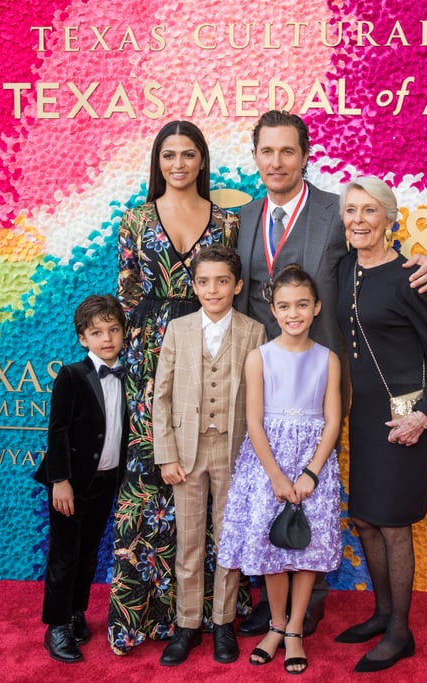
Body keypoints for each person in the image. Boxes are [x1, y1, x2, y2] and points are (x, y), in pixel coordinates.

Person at [234, 109, 427, 637]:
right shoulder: (241, 219)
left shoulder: (336, 212)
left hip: (327, 386)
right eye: (267, 151)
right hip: (265, 379)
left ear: (306, 156)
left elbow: (385, 261)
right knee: (269, 487)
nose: (277, 161)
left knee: (324, 488)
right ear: (256, 156)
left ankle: (315, 605)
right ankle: (274, 599)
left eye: (288, 151)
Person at [108, 120, 248, 654]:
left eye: (189, 154)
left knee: (217, 489)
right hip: (149, 365)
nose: (179, 164)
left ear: (202, 160)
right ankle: (151, 615)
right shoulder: (135, 219)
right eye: (169, 155)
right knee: (154, 481)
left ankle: (219, 618)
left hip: (212, 353)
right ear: (157, 161)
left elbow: (238, 291)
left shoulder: (228, 222)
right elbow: (125, 294)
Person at [334, 177, 427, 673]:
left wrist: (424, 415)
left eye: (369, 211)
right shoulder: (343, 269)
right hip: (360, 414)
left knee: (393, 523)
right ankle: (381, 613)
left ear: (389, 217)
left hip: (406, 414)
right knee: (364, 517)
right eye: (351, 211)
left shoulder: (412, 276)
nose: (358, 220)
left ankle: (401, 630)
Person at [218, 265, 343, 675]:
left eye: (303, 305)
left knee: (305, 550)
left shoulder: (329, 360)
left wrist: (310, 473)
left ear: (316, 307)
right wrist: (275, 475)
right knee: (273, 548)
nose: (294, 314)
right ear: (273, 310)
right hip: (267, 464)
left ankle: (294, 631)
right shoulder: (260, 358)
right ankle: (273, 625)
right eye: (285, 306)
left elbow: (332, 422)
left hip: (312, 465)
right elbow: (254, 422)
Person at [152, 245, 267, 666]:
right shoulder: (178, 330)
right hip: (186, 453)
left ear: (237, 286)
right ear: (194, 285)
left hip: (233, 452)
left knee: (228, 541)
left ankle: (222, 623)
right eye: (204, 282)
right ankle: (186, 625)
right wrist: (166, 455)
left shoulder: (254, 332)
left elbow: (262, 400)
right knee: (188, 543)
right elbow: (160, 397)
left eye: (222, 281)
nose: (212, 289)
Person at [34, 294, 129, 663]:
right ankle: (55, 626)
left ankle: (76, 613)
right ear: (82, 339)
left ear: (123, 333)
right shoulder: (72, 376)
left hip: (105, 482)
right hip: (70, 485)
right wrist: (60, 480)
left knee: (88, 555)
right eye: (97, 332)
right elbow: (57, 431)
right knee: (64, 557)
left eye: (113, 330)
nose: (107, 338)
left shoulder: (129, 376)